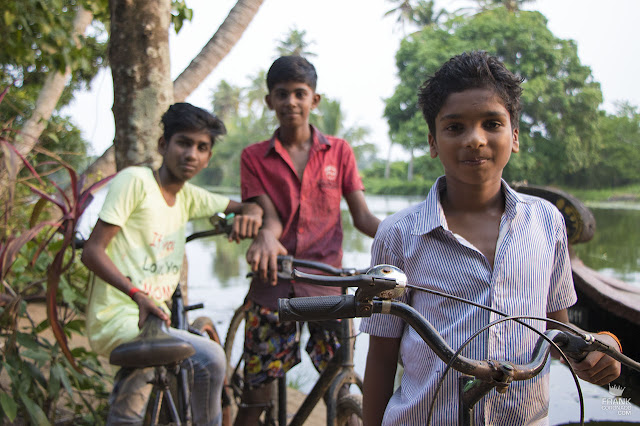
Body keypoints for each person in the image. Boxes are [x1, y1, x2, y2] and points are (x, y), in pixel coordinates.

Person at [360, 51, 622, 425]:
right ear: (433, 142)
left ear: (514, 136)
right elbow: (382, 356)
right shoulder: (399, 234)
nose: (475, 139)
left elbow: (557, 333)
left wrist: (603, 344)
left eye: (491, 123)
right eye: (455, 128)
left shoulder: (547, 222)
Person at [81, 102, 263, 425]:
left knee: (170, 368)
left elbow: (247, 207)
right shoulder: (135, 182)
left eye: (201, 147)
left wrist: (252, 216)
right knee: (210, 356)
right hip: (120, 315)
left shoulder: (188, 197)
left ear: (208, 158)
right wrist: (137, 293)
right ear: (163, 145)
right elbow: (92, 251)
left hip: (155, 318)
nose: (191, 154)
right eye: (183, 142)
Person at [236, 55, 380, 423]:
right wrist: (266, 234)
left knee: (340, 384)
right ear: (269, 100)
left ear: (314, 100)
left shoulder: (339, 151)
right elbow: (265, 215)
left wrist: (410, 237)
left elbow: (362, 217)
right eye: (281, 94)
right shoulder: (253, 157)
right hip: (273, 285)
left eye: (300, 94)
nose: (291, 103)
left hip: (326, 288)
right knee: (255, 397)